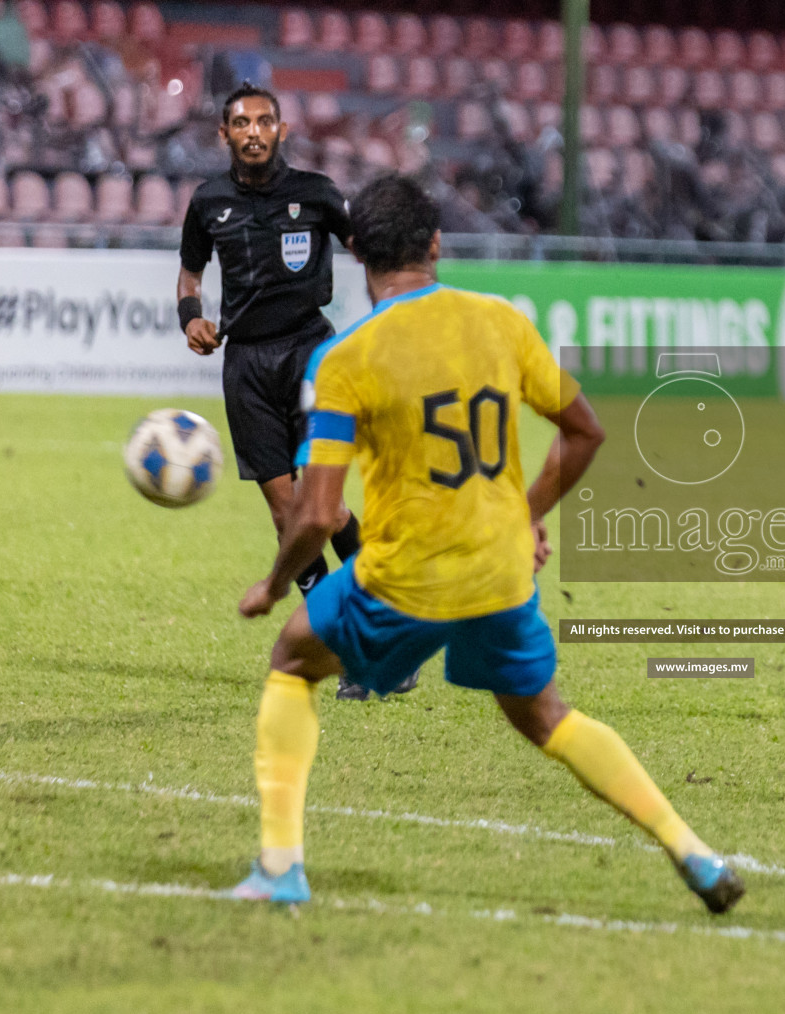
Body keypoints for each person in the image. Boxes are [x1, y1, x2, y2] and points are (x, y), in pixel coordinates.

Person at [228, 174, 745, 914]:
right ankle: (692, 852)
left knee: (290, 660)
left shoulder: (342, 360)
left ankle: (281, 868)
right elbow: (586, 432)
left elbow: (316, 515)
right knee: (547, 716)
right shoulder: (501, 321)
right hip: (501, 573)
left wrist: (275, 583)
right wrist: (522, 515)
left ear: (352, 253)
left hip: (407, 578)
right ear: (437, 244)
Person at [176, 82, 404, 700]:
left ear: (281, 130)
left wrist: (392, 312)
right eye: (242, 123)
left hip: (310, 355)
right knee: (287, 518)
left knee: (320, 511)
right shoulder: (208, 202)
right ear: (223, 134)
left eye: (265, 121)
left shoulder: (317, 193)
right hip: (244, 364)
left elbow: (370, 252)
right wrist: (190, 316)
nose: (254, 131)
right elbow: (191, 273)